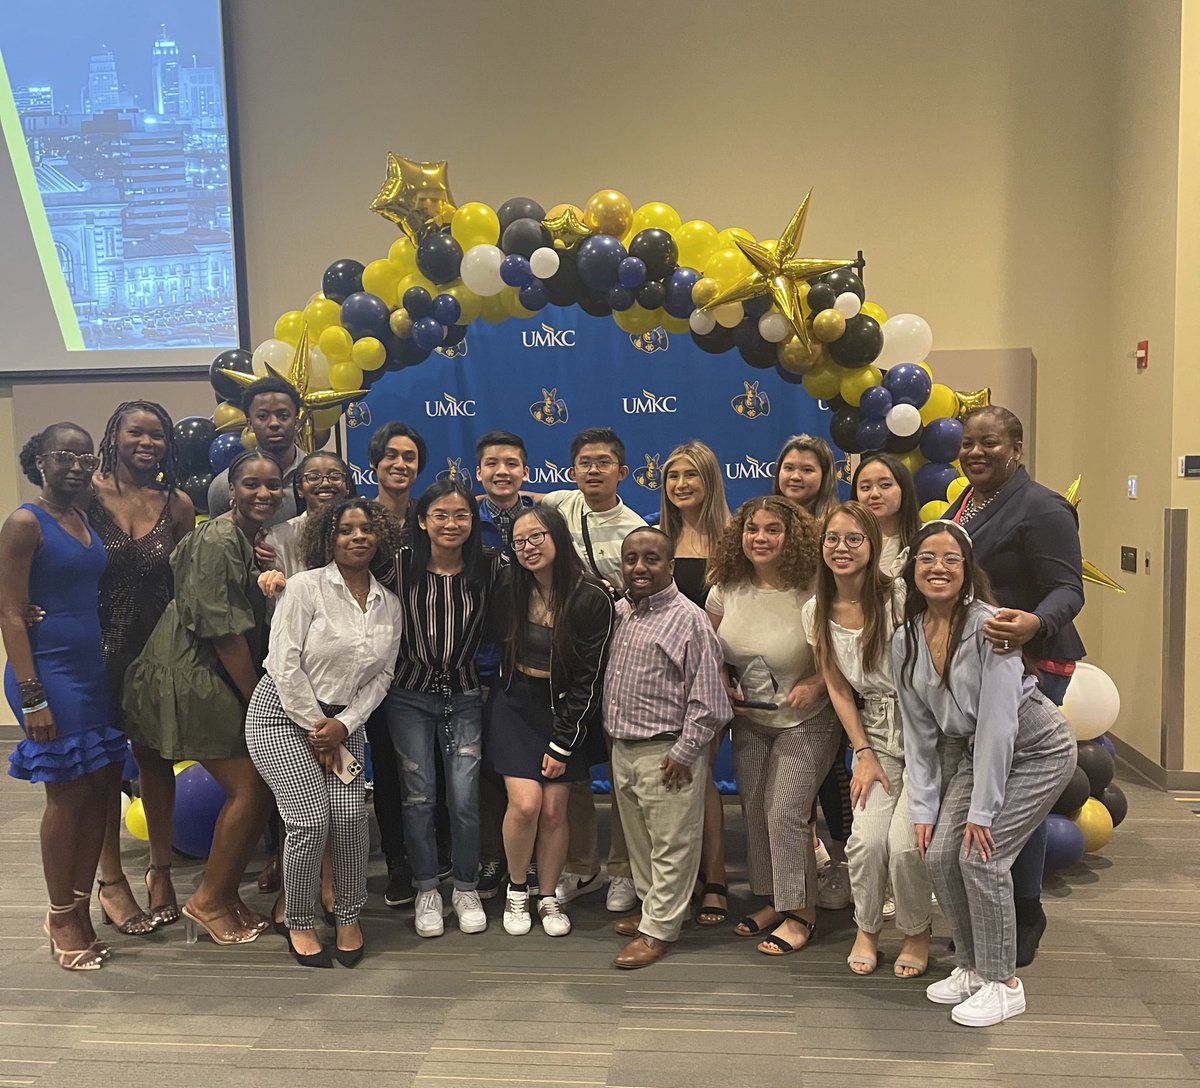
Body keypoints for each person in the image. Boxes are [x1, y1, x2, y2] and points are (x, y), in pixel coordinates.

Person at [892, 520, 1075, 1026]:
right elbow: (920, 733)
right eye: (927, 557)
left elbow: (999, 723)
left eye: (951, 558)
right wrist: (925, 807)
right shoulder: (904, 639)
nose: (939, 567)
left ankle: (1004, 981)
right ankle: (972, 966)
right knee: (940, 854)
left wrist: (983, 811)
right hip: (978, 752)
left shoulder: (991, 625)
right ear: (912, 568)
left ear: (968, 569)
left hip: (1037, 751)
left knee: (981, 858)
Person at [123, 449, 281, 945]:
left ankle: (226, 893)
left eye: (273, 485)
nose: (263, 493)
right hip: (190, 676)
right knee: (252, 787)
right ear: (229, 490)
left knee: (256, 786)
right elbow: (222, 630)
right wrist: (256, 696)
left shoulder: (242, 539)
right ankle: (208, 898)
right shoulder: (216, 537)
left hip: (201, 672)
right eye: (251, 484)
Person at [946, 405, 1085, 966]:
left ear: (1017, 449)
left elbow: (1067, 590)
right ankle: (993, 908)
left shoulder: (1042, 506)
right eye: (967, 444)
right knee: (986, 788)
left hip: (1032, 667)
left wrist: (1035, 623)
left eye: (990, 444)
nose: (975, 452)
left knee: (1010, 801)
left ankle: (1024, 910)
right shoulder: (965, 503)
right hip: (977, 670)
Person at [246, 498, 403, 968]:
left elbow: (383, 676)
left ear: (379, 538)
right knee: (311, 823)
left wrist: (343, 726)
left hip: (343, 723)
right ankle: (298, 920)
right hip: (282, 717)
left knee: (353, 822)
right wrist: (318, 726)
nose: (357, 537)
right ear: (327, 538)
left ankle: (349, 915)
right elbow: (283, 663)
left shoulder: (388, 603)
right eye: (345, 530)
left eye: (366, 529)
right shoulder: (304, 588)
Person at [1, 424, 128, 971]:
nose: (76, 464)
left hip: (89, 667)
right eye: (63, 455)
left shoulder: (83, 517)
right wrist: (32, 698)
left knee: (101, 789)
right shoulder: (26, 522)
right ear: (39, 461)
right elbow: (9, 610)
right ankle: (58, 916)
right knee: (67, 794)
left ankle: (78, 906)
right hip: (47, 673)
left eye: (84, 455)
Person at [804, 502, 933, 977]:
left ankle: (917, 931)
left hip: (924, 733)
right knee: (865, 842)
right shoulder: (815, 610)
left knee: (903, 846)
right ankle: (867, 928)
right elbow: (837, 686)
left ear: (872, 546)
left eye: (854, 538)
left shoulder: (899, 597)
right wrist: (861, 751)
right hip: (873, 734)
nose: (842, 548)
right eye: (833, 538)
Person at [707, 496, 838, 957]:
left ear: (793, 537)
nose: (759, 538)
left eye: (772, 530)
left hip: (808, 720)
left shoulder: (816, 588)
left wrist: (817, 683)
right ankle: (774, 900)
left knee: (785, 811)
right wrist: (722, 681)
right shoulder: (726, 587)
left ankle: (802, 912)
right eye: (752, 529)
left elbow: (847, 653)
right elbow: (711, 649)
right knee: (758, 808)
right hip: (752, 720)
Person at [88, 401, 196, 937]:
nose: (146, 442)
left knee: (156, 762)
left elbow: (185, 578)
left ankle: (161, 870)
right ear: (115, 435)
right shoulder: (85, 495)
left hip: (156, 654)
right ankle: (111, 880)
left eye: (157, 434)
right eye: (137, 432)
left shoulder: (175, 503)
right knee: (105, 768)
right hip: (94, 654)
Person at [384, 479, 505, 938]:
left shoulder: (491, 566)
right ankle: (426, 889)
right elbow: (347, 586)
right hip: (409, 696)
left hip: (467, 695)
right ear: (422, 521)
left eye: (461, 516)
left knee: (466, 799)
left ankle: (467, 886)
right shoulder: (398, 565)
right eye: (441, 515)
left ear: (473, 524)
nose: (452, 524)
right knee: (418, 799)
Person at [606, 528, 732, 969]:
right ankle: (653, 911)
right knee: (641, 843)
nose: (639, 568)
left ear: (671, 566)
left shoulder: (689, 619)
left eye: (651, 559)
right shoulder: (620, 612)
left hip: (667, 751)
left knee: (672, 845)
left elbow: (710, 700)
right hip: (623, 747)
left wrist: (685, 751)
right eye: (631, 559)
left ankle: (659, 931)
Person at [488, 506, 614, 937]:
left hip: (564, 712)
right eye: (519, 542)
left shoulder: (591, 597)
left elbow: (588, 681)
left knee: (556, 809)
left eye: (536, 536)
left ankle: (548, 897)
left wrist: (563, 744)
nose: (528, 548)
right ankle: (516, 891)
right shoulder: (508, 586)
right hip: (516, 706)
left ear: (557, 535)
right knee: (526, 804)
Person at [542, 427, 644, 913]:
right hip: (568, 661)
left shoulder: (635, 528)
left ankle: (623, 868)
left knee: (622, 769)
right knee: (575, 768)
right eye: (585, 462)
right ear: (572, 470)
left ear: (622, 472)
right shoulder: (560, 507)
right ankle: (581, 864)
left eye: (604, 462)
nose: (594, 470)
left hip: (620, 661)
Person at [254, 450, 355, 913]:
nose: (324, 483)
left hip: (340, 682)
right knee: (297, 799)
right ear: (299, 487)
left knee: (334, 793)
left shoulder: (358, 530)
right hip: (289, 678)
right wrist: (268, 577)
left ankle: (331, 882)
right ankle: (294, 889)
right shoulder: (277, 536)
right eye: (313, 476)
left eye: (334, 475)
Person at [772, 433, 851, 909]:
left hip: (830, 676)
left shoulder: (835, 528)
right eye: (789, 467)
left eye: (807, 469)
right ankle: (812, 865)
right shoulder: (766, 520)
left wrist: (823, 679)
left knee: (835, 778)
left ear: (825, 476)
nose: (796, 476)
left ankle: (847, 865)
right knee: (796, 791)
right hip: (780, 682)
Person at [659, 440, 732, 927]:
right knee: (678, 781)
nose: (681, 485)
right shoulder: (657, 536)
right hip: (666, 684)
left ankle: (717, 879)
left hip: (719, 677)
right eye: (672, 476)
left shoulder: (732, 538)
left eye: (691, 475)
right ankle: (677, 883)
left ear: (709, 480)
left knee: (702, 779)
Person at [364, 420, 428, 909]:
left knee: (431, 770)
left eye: (409, 456)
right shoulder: (360, 520)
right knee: (387, 767)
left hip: (428, 662)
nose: (400, 464)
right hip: (375, 668)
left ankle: (436, 854)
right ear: (375, 462)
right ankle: (399, 864)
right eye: (391, 455)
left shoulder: (431, 517)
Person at [474, 430, 536, 901]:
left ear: (525, 472)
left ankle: (529, 857)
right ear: (479, 473)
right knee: (484, 770)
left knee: (526, 769)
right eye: (493, 463)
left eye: (511, 463)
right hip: (476, 665)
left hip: (530, 665)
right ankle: (492, 856)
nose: (502, 471)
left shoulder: (541, 521)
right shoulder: (464, 520)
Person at [207, 377, 304, 524]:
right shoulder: (224, 485)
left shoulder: (316, 478)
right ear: (249, 423)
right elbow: (216, 541)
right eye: (263, 416)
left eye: (283, 416)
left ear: (296, 422)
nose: (274, 423)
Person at [851, 452, 920, 576]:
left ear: (904, 489)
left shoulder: (924, 538)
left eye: (885, 485)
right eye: (866, 487)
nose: (875, 494)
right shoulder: (847, 542)